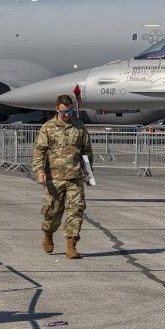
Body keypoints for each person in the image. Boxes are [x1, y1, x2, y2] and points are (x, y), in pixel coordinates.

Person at [32, 95, 93, 259]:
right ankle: (48, 233)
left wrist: (89, 173)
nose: (68, 115)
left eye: (70, 111)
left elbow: (87, 152)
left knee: (76, 210)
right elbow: (39, 151)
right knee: (53, 212)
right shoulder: (48, 128)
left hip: (75, 177)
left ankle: (71, 245)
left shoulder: (79, 128)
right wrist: (39, 171)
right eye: (64, 111)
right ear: (57, 109)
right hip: (54, 177)